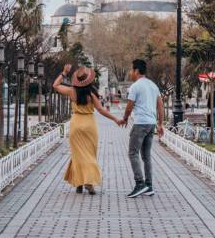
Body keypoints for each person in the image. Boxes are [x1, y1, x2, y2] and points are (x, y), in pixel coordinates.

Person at [53, 64, 119, 195]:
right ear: (89, 80)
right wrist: (115, 119)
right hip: (89, 124)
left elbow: (55, 85)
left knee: (77, 155)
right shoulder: (92, 93)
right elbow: (101, 110)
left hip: (76, 123)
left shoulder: (71, 91)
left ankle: (79, 183)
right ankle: (88, 182)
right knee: (89, 154)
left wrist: (64, 72)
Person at [118, 59, 164, 198]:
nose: (130, 72)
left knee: (133, 153)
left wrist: (125, 118)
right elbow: (160, 105)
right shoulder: (153, 85)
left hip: (140, 124)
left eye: (132, 70)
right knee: (146, 156)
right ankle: (149, 186)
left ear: (136, 71)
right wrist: (160, 124)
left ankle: (140, 184)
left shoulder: (135, 86)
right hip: (151, 124)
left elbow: (129, 105)